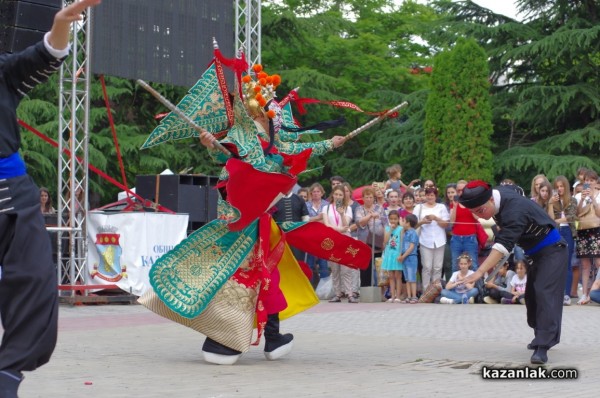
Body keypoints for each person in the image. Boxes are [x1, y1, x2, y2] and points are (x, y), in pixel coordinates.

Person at [139, 62, 371, 366]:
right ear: (257, 109)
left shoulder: (275, 136)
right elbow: (228, 159)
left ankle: (272, 338)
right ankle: (225, 341)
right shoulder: (242, 135)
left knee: (267, 277)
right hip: (241, 220)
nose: (272, 110)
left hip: (262, 220)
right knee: (239, 279)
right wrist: (211, 146)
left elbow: (296, 155)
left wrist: (330, 143)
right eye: (267, 105)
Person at [0, 1, 102, 396]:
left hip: (16, 197)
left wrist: (61, 25)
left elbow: (45, 54)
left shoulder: (4, 71)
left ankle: (8, 376)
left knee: (36, 284)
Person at [460, 180, 568, 365]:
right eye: (473, 212)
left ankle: (543, 346)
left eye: (480, 211)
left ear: (491, 201)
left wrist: (479, 272)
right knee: (532, 297)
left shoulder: (514, 211)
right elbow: (517, 188)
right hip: (533, 253)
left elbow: (501, 247)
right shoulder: (501, 192)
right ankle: (541, 334)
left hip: (553, 250)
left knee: (545, 293)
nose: (479, 217)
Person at [547, 176, 577, 306]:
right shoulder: (553, 201)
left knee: (568, 263)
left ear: (565, 186)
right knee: (555, 263)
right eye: (557, 187)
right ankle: (556, 293)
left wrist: (557, 221)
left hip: (568, 232)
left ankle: (566, 294)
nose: (559, 189)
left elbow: (571, 216)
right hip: (556, 232)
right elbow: (550, 219)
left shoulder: (572, 200)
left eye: (561, 186)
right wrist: (550, 204)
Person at [322, 186, 357, 303]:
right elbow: (327, 225)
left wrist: (341, 214)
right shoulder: (326, 208)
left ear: (344, 196)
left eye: (340, 195)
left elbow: (346, 224)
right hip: (332, 240)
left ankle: (349, 293)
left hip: (345, 239)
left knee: (346, 267)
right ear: (332, 194)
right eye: (336, 194)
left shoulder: (347, 208)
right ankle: (337, 293)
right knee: (334, 267)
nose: (338, 197)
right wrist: (340, 229)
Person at [414, 187, 450, 291]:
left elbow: (446, 224)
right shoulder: (419, 207)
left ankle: (436, 290)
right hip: (425, 240)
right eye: (428, 195)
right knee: (427, 267)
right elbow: (413, 225)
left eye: (432, 195)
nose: (430, 197)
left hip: (440, 240)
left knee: (438, 267)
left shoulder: (441, 207)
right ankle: (426, 290)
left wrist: (436, 218)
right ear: (425, 196)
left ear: (435, 196)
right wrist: (422, 222)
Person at [573, 169, 600, 305]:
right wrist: (582, 199)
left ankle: (595, 290)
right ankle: (584, 294)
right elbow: (576, 214)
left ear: (596, 182)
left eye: (592, 180)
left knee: (598, 262)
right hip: (583, 230)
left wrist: (594, 200)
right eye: (587, 181)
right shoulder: (578, 196)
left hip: (597, 230)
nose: (589, 183)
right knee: (584, 264)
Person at [381, 210, 404, 302]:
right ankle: (392, 296)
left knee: (398, 276)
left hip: (397, 254)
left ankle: (398, 296)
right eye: (391, 219)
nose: (393, 221)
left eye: (395, 219)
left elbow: (402, 242)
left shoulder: (401, 229)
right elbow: (385, 241)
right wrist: (390, 229)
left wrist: (401, 254)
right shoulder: (386, 228)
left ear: (398, 219)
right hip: (389, 254)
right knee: (391, 276)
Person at [399, 213, 419, 303]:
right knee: (407, 278)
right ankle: (409, 296)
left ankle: (414, 296)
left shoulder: (413, 233)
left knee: (412, 278)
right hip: (405, 258)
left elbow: (411, 247)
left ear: (408, 223)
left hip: (411, 257)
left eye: (404, 221)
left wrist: (403, 256)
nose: (402, 223)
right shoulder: (405, 232)